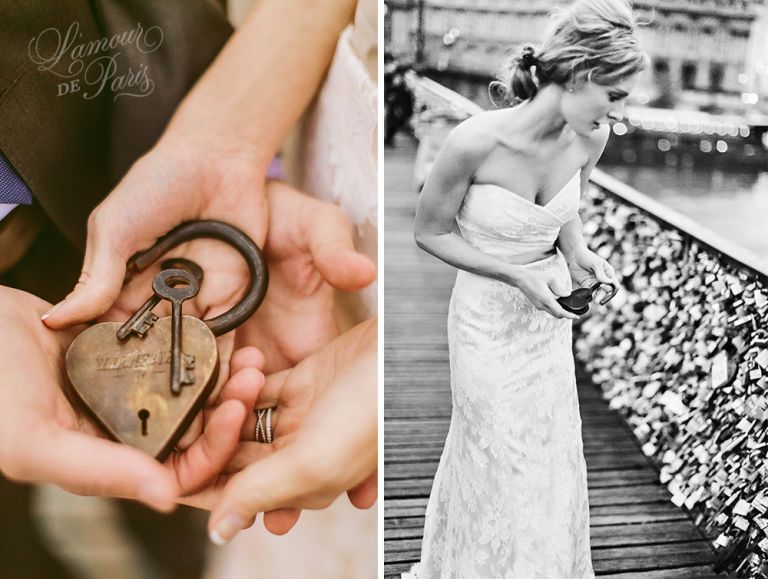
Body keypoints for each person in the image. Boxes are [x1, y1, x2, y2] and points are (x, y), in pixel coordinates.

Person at [408, 0, 647, 576]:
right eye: (616, 96)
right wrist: (515, 273)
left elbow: (565, 211)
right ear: (584, 75)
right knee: (500, 456)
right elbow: (429, 232)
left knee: (548, 458)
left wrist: (580, 253)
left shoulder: (590, 140)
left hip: (545, 327)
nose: (621, 112)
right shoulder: (473, 142)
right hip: (486, 321)